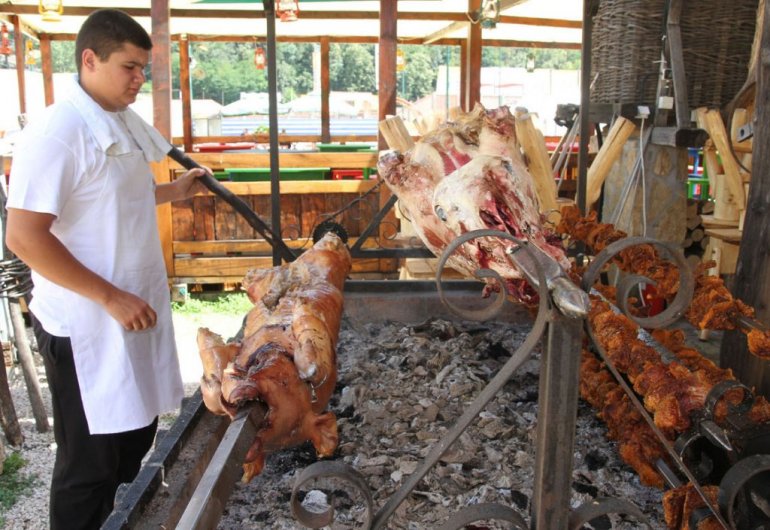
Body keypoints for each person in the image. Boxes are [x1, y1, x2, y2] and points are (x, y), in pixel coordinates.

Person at [5, 9, 208, 530]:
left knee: (134, 440)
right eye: (129, 68)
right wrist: (110, 297)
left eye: (143, 69)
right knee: (89, 467)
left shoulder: (116, 119)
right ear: (89, 60)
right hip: (86, 324)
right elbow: (24, 236)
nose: (139, 79)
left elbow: (110, 197)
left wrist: (173, 191)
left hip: (130, 311)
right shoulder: (57, 131)